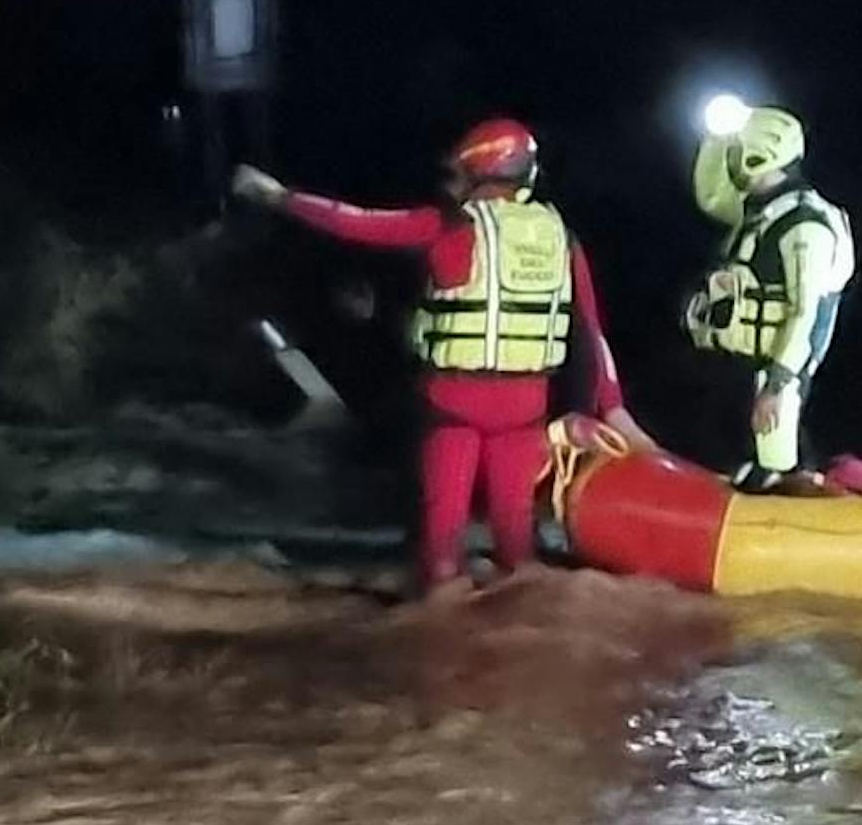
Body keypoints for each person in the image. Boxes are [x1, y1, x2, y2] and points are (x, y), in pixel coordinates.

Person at [232, 119, 649, 598]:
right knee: (516, 541)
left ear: (475, 173)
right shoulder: (562, 238)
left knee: (442, 546)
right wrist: (614, 409)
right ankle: (528, 627)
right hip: (524, 408)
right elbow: (590, 332)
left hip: (453, 403)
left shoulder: (447, 226)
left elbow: (354, 222)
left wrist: (278, 196)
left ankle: (442, 623)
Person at [681, 105, 855, 491]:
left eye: (735, 149)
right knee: (737, 463)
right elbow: (711, 197)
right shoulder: (760, 210)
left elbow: (804, 311)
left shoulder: (806, 224)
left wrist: (777, 385)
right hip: (738, 366)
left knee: (775, 467)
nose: (731, 159)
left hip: (774, 371)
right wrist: (714, 140)